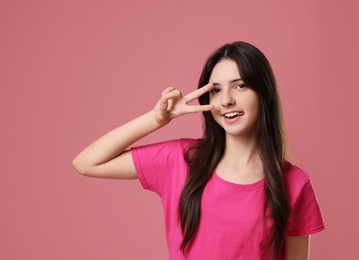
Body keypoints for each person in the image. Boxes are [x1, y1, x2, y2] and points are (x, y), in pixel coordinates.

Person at [72, 41, 324, 260]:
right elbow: (87, 163)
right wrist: (156, 120)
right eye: (216, 90)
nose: (226, 100)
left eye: (239, 86)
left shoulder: (294, 183)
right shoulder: (181, 160)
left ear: (263, 94)